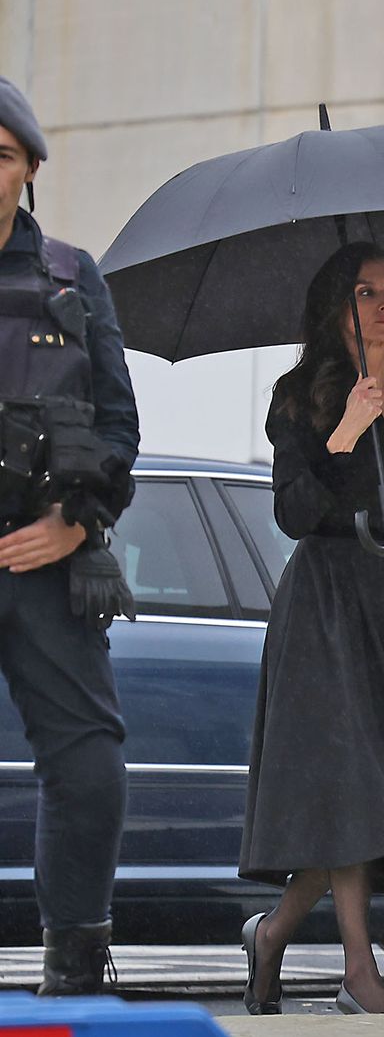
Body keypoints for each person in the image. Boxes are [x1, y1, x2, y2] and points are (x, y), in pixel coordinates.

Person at [237, 241, 384, 1016]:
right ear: (336, 306)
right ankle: (358, 971)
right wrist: (343, 432)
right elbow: (292, 512)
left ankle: (272, 933)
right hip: (324, 604)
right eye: (368, 292)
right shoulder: (297, 395)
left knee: (367, 787)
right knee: (351, 781)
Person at [0, 76, 140, 995]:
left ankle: (76, 966)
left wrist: (74, 522)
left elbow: (120, 426)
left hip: (51, 563)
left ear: (31, 169)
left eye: (1, 155)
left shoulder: (70, 275)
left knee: (88, 769)